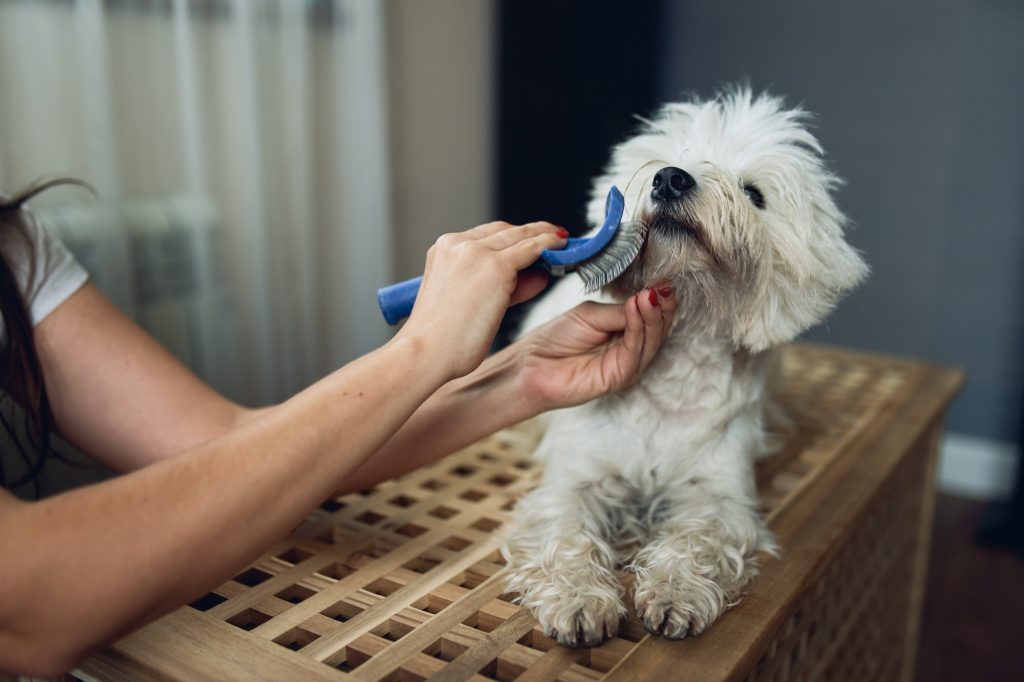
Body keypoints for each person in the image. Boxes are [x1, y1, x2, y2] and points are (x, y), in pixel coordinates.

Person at [0, 179, 676, 676]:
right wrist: (423, 350)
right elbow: (26, 601)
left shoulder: (15, 245)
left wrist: (517, 375)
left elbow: (222, 444)